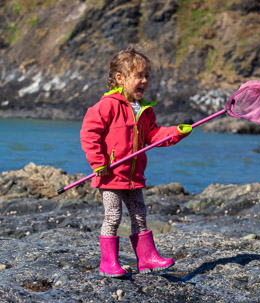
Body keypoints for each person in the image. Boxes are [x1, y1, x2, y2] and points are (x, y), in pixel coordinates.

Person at [80, 47, 192, 278]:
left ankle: (147, 258)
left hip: (134, 176)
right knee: (113, 217)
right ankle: (108, 263)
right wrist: (99, 163)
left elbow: (153, 136)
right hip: (110, 176)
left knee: (140, 214)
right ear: (120, 78)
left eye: (146, 76)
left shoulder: (144, 109)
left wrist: (176, 133)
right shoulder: (107, 105)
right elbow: (89, 134)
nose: (144, 81)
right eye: (138, 76)